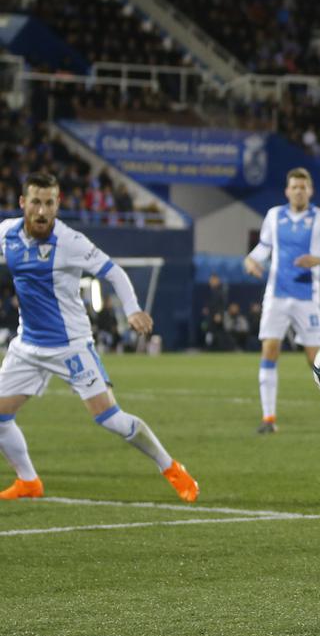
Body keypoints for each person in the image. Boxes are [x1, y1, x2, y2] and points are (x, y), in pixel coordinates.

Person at [0, 171, 198, 502]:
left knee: (111, 419)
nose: (42, 211)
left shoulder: (70, 242)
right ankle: (28, 481)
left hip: (71, 346)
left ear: (58, 204)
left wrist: (133, 309)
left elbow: (113, 271)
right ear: (22, 203)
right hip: (28, 346)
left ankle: (171, 467)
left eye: (49, 203)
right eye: (35, 202)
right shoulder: (7, 234)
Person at [243, 167, 320, 434]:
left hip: (307, 298)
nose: (299, 191)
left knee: (315, 358)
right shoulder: (274, 216)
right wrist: (251, 260)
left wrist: (319, 259)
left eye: (303, 187)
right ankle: (268, 419)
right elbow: (264, 248)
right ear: (287, 191)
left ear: (310, 191)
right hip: (276, 295)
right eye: (294, 187)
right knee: (269, 350)